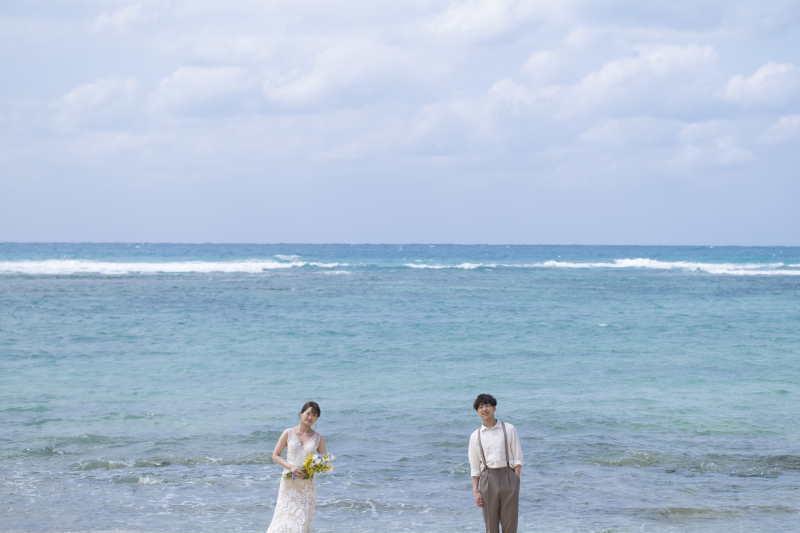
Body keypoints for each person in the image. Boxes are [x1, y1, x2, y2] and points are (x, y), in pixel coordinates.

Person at [266, 401, 327, 533]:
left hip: (307, 486)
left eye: (314, 415)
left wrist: (309, 472)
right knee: (284, 518)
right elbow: (276, 455)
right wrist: (291, 467)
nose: (310, 417)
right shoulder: (288, 433)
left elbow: (323, 461)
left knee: (301, 521)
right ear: (301, 413)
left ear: (317, 419)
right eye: (308, 413)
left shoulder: (318, 438)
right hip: (289, 483)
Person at [468, 394, 523, 533]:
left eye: (487, 406)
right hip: (487, 478)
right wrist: (476, 491)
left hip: (508, 475)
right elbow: (474, 467)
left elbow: (518, 459)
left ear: (494, 408)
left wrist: (515, 483)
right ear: (477, 412)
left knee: (510, 525)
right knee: (491, 527)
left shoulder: (509, 429)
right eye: (480, 407)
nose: (484, 409)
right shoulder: (475, 436)